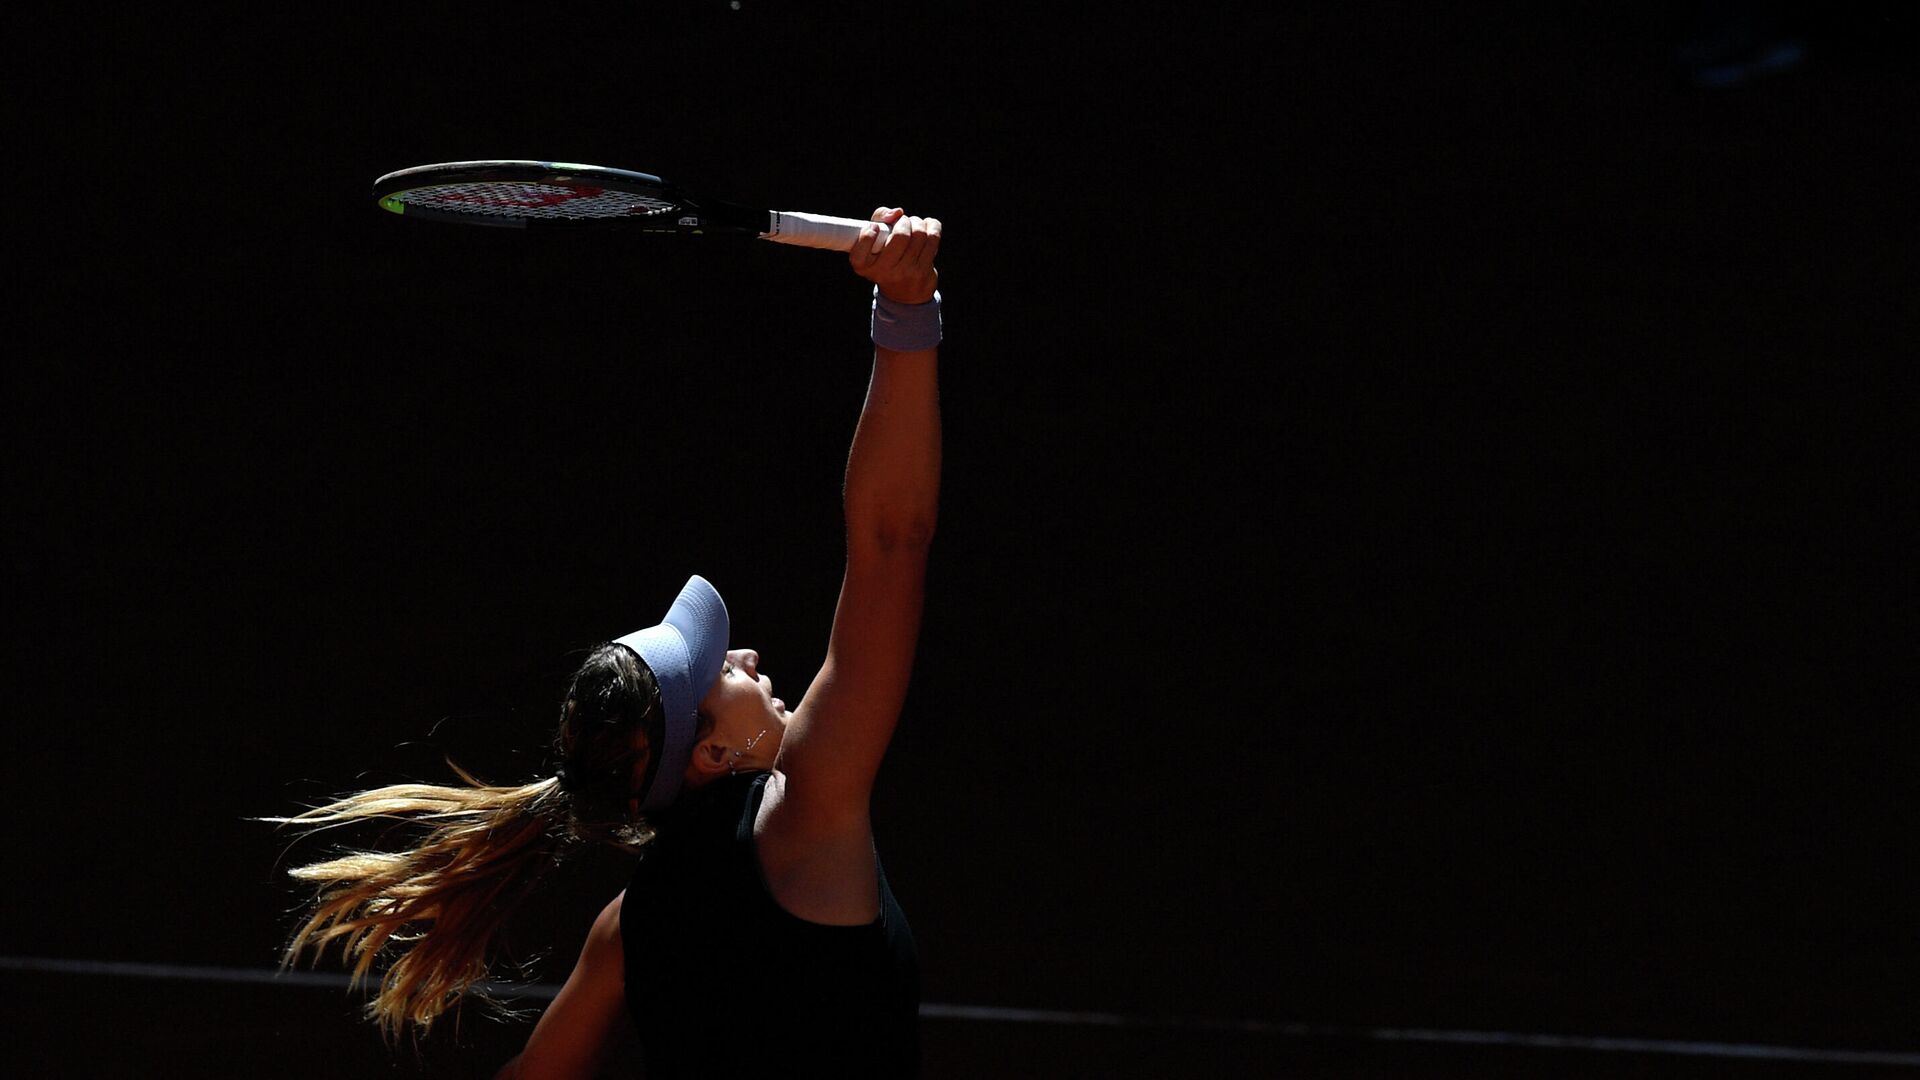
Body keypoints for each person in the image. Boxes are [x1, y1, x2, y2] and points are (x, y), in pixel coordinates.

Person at [269, 206, 942, 1078]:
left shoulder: (631, 926)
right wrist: (907, 314)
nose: (744, 659)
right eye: (718, 671)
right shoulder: (807, 808)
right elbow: (892, 539)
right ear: (710, 752)